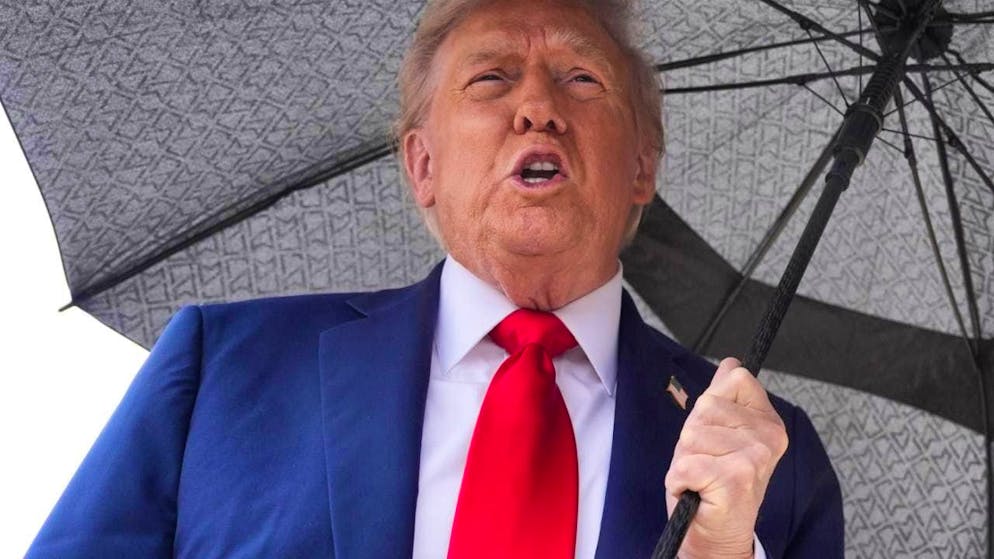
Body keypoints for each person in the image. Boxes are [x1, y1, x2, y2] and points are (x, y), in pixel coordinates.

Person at [27, 1, 843, 558]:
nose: (537, 107)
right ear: (422, 164)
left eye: (581, 78)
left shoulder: (771, 463)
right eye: (491, 78)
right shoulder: (223, 369)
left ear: (641, 165)